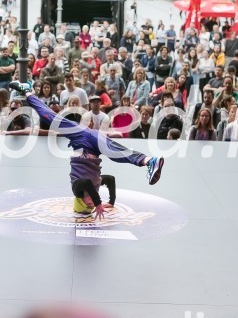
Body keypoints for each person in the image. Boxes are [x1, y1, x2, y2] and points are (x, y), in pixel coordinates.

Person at [9, 82, 164, 219]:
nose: (91, 204)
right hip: (94, 146)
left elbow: (87, 182)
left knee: (49, 117)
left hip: (80, 137)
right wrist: (111, 201)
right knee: (116, 153)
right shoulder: (97, 185)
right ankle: (149, 161)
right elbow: (110, 179)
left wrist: (98, 205)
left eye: (88, 204)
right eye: (91, 205)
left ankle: (27, 91)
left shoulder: (77, 189)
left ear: (81, 201)